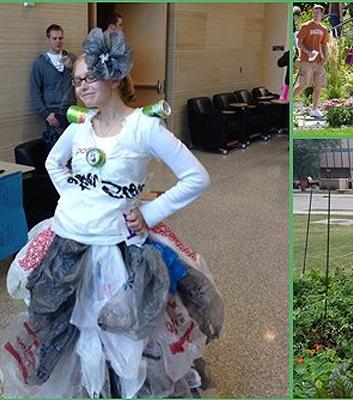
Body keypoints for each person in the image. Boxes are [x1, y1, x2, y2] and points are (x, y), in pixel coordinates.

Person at [3, 28, 220, 398]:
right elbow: (55, 163)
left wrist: (150, 213)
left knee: (120, 333)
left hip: (116, 249)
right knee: (69, 327)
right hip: (67, 240)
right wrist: (76, 195)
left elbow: (196, 177)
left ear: (115, 77)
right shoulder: (81, 125)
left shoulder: (144, 128)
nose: (82, 87)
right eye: (76, 81)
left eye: (90, 77)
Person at [29, 24, 76, 147]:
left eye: (60, 38)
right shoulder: (40, 63)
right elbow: (35, 91)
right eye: (54, 38)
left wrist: (72, 68)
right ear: (48, 40)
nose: (58, 41)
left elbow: (82, 81)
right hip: (53, 113)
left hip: (72, 110)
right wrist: (45, 114)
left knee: (74, 146)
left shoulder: (71, 58)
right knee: (56, 148)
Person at [293, 4, 330, 120]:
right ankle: (289, 104)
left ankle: (314, 109)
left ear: (321, 14)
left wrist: (325, 57)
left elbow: (324, 44)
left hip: (318, 62)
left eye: (318, 12)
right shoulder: (306, 26)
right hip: (306, 60)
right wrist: (306, 52)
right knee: (303, 84)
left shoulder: (324, 29)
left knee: (318, 86)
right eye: (314, 12)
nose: (315, 14)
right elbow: (299, 42)